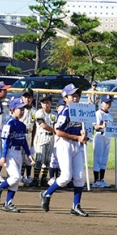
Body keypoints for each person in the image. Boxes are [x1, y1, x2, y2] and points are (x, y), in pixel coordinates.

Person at [40, 84, 89, 217]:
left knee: (79, 178)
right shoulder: (65, 112)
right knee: (66, 177)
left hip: (76, 145)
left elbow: (82, 130)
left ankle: (76, 206)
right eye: (72, 95)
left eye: (77, 95)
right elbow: (58, 132)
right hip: (65, 144)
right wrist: (77, 137)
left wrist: (84, 136)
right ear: (65, 98)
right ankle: (46, 193)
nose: (76, 98)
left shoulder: (80, 111)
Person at [0, 98, 34, 213]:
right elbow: (5, 142)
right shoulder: (8, 124)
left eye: (23, 109)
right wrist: (3, 156)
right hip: (10, 152)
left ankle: (8, 203)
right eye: (19, 109)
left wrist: (29, 154)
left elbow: (24, 141)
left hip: (19, 153)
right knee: (16, 177)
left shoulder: (22, 125)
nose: (22, 111)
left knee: (15, 182)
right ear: (13, 110)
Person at [33, 94, 56, 187]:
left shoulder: (54, 114)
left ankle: (43, 178)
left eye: (47, 102)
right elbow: (42, 125)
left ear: (51, 103)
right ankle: (35, 178)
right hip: (41, 136)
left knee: (47, 160)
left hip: (51, 138)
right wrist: (55, 131)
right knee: (39, 159)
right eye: (43, 102)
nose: (46, 104)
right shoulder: (39, 112)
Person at [92, 94, 114, 188]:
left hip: (107, 138)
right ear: (101, 103)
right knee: (98, 159)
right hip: (99, 137)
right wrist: (102, 126)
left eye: (109, 103)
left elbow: (113, 127)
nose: (108, 104)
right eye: (106, 102)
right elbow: (96, 126)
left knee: (104, 159)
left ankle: (101, 179)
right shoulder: (98, 113)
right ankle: (96, 180)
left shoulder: (110, 115)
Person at [20, 88, 36, 184]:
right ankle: (21, 176)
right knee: (21, 156)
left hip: (29, 134)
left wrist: (33, 139)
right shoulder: (19, 109)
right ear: (22, 98)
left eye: (29, 97)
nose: (27, 99)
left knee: (29, 156)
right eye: (25, 97)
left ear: (32, 98)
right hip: (21, 134)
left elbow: (34, 127)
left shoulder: (34, 111)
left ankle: (29, 176)